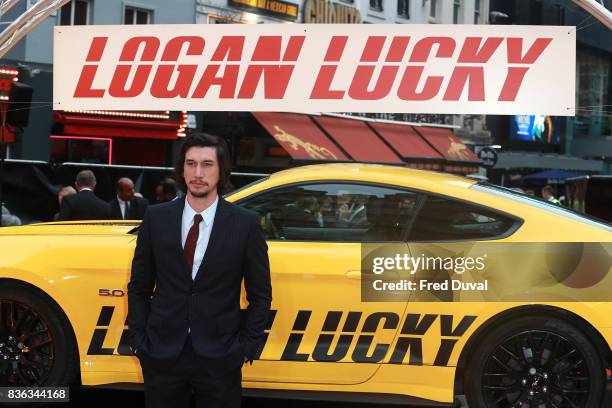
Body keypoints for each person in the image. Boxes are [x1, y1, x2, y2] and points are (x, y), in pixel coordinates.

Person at [127, 133, 272, 408]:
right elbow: (139, 286)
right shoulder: (156, 218)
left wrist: (245, 347)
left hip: (221, 356)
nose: (198, 173)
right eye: (191, 163)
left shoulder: (246, 224)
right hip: (161, 353)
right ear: (182, 169)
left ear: (221, 170)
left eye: (207, 164)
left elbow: (260, 295)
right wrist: (139, 340)